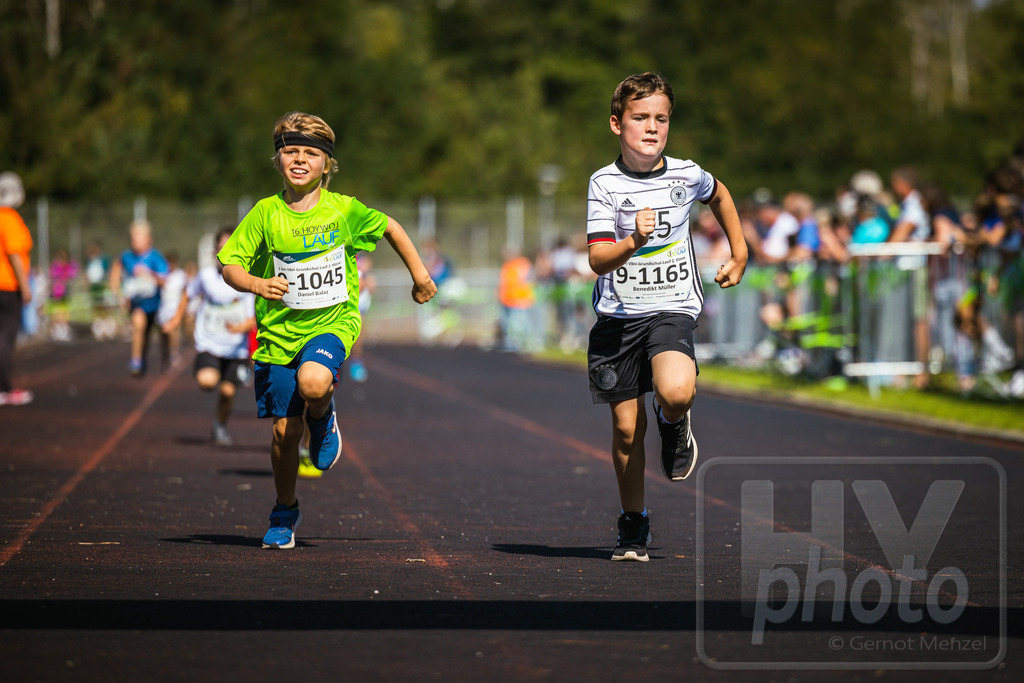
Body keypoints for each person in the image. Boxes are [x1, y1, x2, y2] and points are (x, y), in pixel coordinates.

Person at [218, 111, 436, 550]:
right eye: (291, 151)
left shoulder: (343, 211)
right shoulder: (265, 214)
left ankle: (324, 417)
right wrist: (259, 284)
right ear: (278, 158)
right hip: (278, 335)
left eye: (311, 153)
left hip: (332, 323)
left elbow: (391, 226)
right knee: (283, 434)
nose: (300, 160)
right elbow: (229, 265)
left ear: (326, 164)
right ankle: (285, 511)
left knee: (314, 382)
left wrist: (421, 276)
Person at [586, 73, 747, 562]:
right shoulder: (603, 183)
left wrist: (740, 252)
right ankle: (633, 523)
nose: (651, 128)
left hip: (672, 307)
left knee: (676, 390)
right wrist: (633, 240)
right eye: (640, 118)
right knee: (626, 431)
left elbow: (719, 193)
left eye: (661, 118)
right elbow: (597, 259)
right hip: (618, 317)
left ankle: (674, 420)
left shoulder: (686, 174)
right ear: (618, 124)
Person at [164, 227, 256, 447]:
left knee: (227, 391)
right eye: (222, 248)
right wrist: (177, 319)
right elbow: (188, 293)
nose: (226, 253)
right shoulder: (206, 277)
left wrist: (242, 326)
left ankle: (219, 424)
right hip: (210, 343)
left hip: (236, 348)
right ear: (216, 251)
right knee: (207, 382)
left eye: (231, 247)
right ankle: (212, 374)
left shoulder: (247, 279)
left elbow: (256, 316)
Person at [109, 219, 169, 376]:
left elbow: (165, 281)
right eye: (133, 237)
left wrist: (149, 274)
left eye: (139, 236)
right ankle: (136, 360)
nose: (135, 240)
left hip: (156, 303)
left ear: (148, 238)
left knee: (159, 332)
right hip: (138, 303)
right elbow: (116, 269)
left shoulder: (156, 257)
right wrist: (117, 293)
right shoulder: (126, 256)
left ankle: (166, 359)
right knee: (138, 324)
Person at [0, 171, 34, 406]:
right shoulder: (9, 218)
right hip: (7, 285)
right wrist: (25, 286)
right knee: (6, 337)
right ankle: (4, 388)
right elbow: (14, 255)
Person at [156, 251, 189, 369]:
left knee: (173, 333)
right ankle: (165, 356)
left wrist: (183, 308)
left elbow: (186, 291)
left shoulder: (180, 275)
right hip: (162, 310)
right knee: (163, 336)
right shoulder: (162, 274)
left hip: (175, 310)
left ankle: (174, 353)